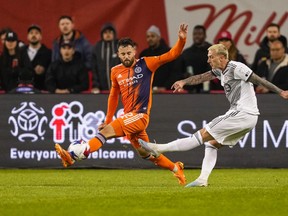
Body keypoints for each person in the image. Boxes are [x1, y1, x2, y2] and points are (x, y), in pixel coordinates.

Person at [55, 24, 188, 185]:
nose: (126, 56)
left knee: (107, 133)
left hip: (140, 115)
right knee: (147, 153)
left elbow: (172, 54)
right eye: (123, 54)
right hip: (129, 116)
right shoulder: (115, 71)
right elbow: (113, 96)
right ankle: (176, 168)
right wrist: (108, 118)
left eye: (129, 53)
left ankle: (74, 156)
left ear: (134, 52)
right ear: (118, 54)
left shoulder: (147, 64)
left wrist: (181, 39)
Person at [138, 43, 288, 187]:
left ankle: (159, 148)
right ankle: (202, 179)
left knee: (198, 137)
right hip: (248, 118)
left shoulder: (236, 67)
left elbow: (259, 80)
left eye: (211, 57)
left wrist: (280, 91)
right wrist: (183, 82)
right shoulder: (219, 71)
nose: (208, 60)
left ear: (222, 57)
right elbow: (201, 77)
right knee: (211, 144)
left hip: (242, 113)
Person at [139, 25, 178, 92]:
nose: (150, 39)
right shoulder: (144, 55)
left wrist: (165, 87)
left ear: (159, 37)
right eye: (148, 37)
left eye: (153, 36)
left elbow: (175, 73)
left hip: (166, 92)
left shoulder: (169, 53)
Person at [174, 25, 212, 93]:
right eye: (195, 34)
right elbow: (178, 72)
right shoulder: (186, 53)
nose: (197, 36)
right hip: (190, 91)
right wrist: (184, 75)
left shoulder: (212, 51)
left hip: (208, 90)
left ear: (205, 35)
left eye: (200, 34)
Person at [91, 23, 121, 93]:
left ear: (114, 34)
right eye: (105, 32)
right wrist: (96, 86)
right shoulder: (97, 47)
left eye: (110, 32)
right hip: (101, 90)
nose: (108, 34)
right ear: (102, 34)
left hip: (119, 89)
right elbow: (94, 69)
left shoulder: (119, 46)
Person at [21, 24, 52, 91]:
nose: (33, 35)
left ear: (41, 37)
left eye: (36, 33)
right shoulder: (21, 51)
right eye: (31, 33)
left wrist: (43, 71)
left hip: (41, 90)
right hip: (23, 89)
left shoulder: (48, 53)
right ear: (27, 36)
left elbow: (51, 72)